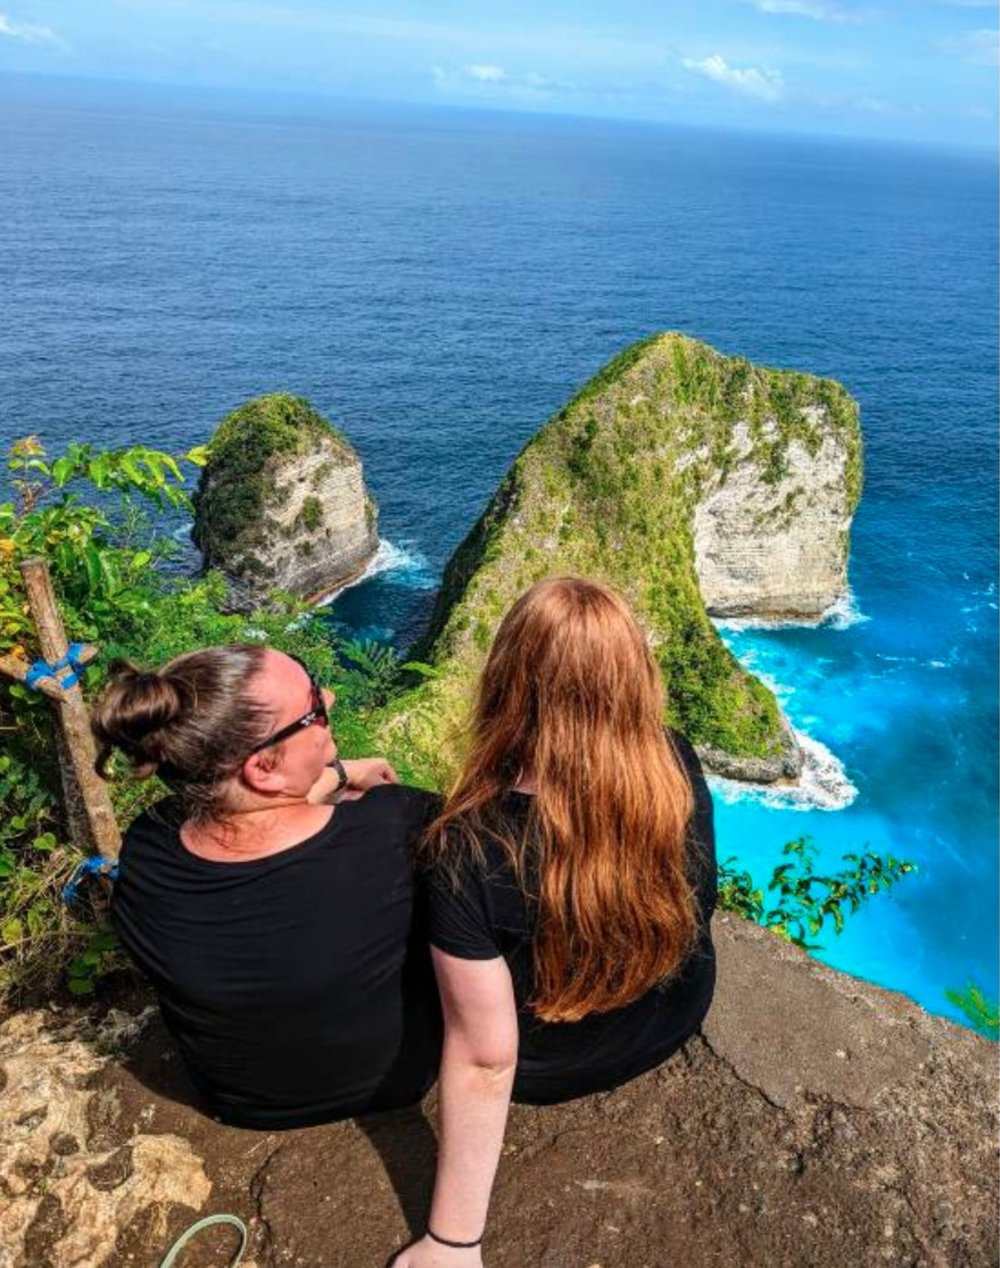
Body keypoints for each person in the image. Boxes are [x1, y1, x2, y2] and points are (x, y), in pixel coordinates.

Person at [394, 577, 717, 1267]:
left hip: (549, 1065)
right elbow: (702, 902)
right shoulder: (675, 764)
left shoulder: (466, 846)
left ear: (506, 683)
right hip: (669, 1018)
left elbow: (486, 1057)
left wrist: (454, 1241)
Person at [91, 643, 442, 1129]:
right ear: (264, 767)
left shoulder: (151, 846)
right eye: (314, 707)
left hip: (245, 1103)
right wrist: (363, 789)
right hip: (398, 1079)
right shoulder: (397, 824)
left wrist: (336, 774)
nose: (332, 698)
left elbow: (260, 816)